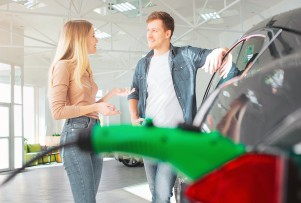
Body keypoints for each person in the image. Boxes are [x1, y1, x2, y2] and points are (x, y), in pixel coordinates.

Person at [128, 11, 231, 203]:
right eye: (148, 30)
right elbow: (133, 93)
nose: (149, 35)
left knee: (161, 193)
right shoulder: (142, 65)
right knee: (155, 192)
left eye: (154, 30)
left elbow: (216, 53)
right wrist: (134, 118)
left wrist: (221, 50)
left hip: (175, 138)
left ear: (167, 33)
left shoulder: (186, 55)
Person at [48, 20, 133, 203]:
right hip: (75, 135)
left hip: (94, 132)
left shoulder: (84, 69)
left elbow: (86, 106)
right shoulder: (63, 66)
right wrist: (96, 107)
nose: (97, 40)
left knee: (89, 198)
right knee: (86, 200)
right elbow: (58, 111)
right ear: (80, 38)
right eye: (93, 35)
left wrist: (109, 96)